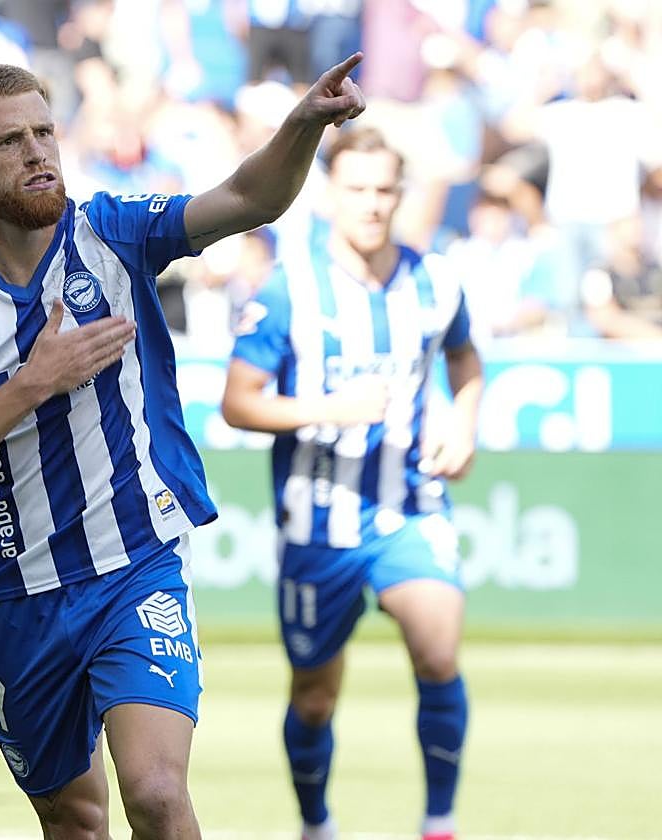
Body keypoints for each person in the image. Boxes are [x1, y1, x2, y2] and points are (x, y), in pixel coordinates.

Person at [0, 59, 366, 837]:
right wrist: (32, 384)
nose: (37, 153)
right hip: (13, 596)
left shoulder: (111, 229)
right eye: (11, 142)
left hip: (135, 563)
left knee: (157, 790)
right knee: (74, 818)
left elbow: (248, 197)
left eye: (45, 132)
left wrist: (301, 125)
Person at [220, 127, 483, 840]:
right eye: (358, 189)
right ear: (331, 194)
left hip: (411, 505)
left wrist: (463, 423)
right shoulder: (289, 289)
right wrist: (325, 410)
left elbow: (465, 360)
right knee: (313, 698)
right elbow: (238, 401)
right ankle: (316, 823)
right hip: (318, 521)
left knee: (437, 650)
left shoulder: (438, 280)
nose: (371, 204)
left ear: (401, 195)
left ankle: (439, 821)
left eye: (384, 190)